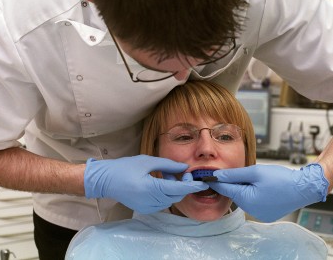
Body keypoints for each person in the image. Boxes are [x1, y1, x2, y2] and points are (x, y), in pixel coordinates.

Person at [0, 0, 333, 258]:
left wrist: (322, 176)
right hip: (79, 212)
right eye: (156, 62)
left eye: (208, 53)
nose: (180, 77)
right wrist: (92, 178)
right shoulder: (24, 12)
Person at [65, 81, 328, 259]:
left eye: (225, 136)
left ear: (248, 156)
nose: (206, 148)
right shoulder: (101, 250)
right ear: (152, 155)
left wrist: (322, 177)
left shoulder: (294, 249)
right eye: (182, 137)